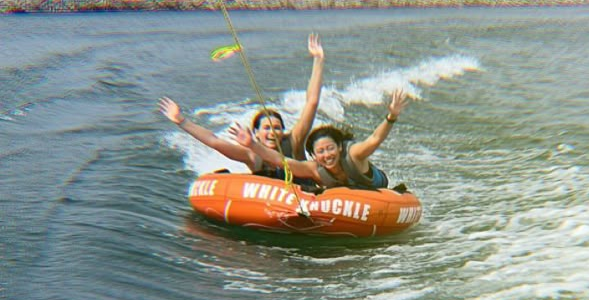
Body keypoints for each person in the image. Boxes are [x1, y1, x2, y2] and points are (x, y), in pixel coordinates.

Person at [158, 33, 325, 177]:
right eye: (266, 128)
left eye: (277, 127)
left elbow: (312, 102)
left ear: (283, 130)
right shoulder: (252, 155)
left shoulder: (294, 141)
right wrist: (181, 121)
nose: (272, 132)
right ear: (256, 134)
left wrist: (318, 59)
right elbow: (214, 141)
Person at [230, 89, 409, 190]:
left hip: (376, 187)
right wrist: (252, 144)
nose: (327, 155)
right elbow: (280, 160)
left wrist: (391, 116)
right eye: (320, 152)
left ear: (339, 147)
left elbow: (375, 139)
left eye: (330, 148)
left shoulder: (354, 155)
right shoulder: (315, 170)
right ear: (314, 156)